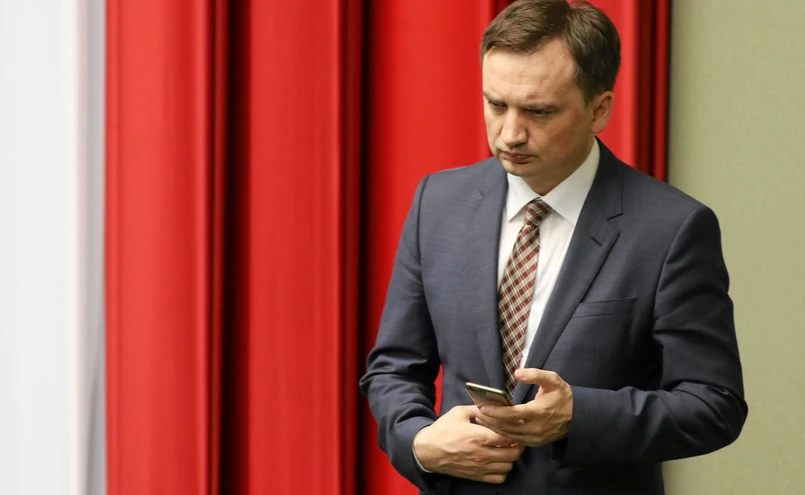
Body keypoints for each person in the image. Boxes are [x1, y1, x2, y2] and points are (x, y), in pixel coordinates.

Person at [359, 0, 748, 493]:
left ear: (599, 109)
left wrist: (579, 416)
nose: (510, 133)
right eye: (496, 104)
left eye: (538, 111)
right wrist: (418, 442)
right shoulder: (438, 201)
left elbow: (714, 404)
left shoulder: (673, 229)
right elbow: (393, 369)